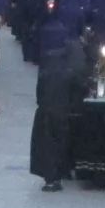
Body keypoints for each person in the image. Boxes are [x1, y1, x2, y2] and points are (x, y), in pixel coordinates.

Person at [30, 43, 83, 193]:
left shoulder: (45, 74)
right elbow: (77, 93)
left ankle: (49, 178)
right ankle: (59, 174)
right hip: (61, 113)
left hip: (44, 113)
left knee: (46, 146)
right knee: (59, 145)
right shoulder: (68, 74)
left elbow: (38, 95)